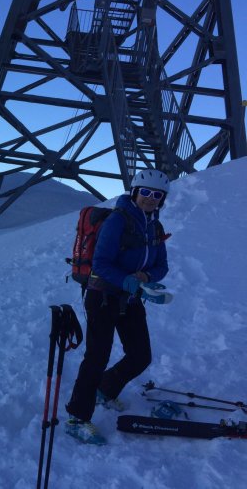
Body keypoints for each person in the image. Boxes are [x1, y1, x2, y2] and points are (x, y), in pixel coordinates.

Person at [64, 169, 170, 445]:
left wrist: (146, 276)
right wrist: (127, 280)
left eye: (157, 195)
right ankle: (77, 418)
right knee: (96, 357)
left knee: (140, 355)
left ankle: (106, 388)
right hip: (102, 297)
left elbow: (162, 265)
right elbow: (100, 264)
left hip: (131, 298)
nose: (150, 198)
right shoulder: (117, 221)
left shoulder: (155, 227)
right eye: (145, 192)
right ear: (134, 192)